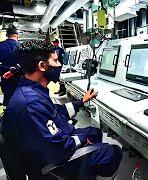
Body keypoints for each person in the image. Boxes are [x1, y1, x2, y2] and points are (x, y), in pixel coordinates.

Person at [0, 40, 122, 179]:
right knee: (113, 151)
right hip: (48, 163)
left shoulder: (32, 90)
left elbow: (55, 112)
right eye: (56, 61)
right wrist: (82, 140)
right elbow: (58, 149)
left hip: (48, 143)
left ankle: (89, 166)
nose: (59, 65)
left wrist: (81, 101)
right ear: (42, 66)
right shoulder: (31, 103)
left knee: (94, 132)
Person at [0, 25, 20, 106]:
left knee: (7, 96)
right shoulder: (21, 46)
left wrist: (6, 68)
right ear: (17, 36)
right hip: (19, 77)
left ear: (6, 35)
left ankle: (6, 113)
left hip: (5, 76)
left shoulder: (0, 45)